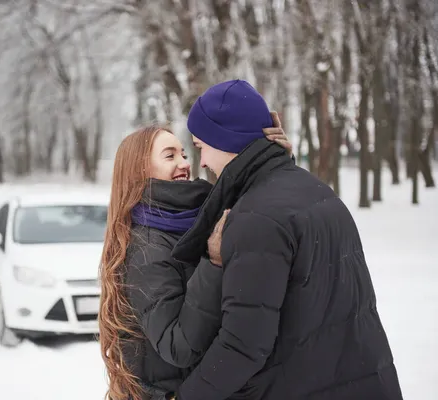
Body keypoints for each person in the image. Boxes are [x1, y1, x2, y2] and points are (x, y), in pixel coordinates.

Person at [167, 80, 403, 400]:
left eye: (200, 147)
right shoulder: (313, 190)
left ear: (225, 139)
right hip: (362, 380)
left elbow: (243, 346)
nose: (203, 162)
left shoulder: (255, 218)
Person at [98, 121, 292, 400]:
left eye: (184, 154)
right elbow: (177, 345)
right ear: (140, 169)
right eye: (170, 156)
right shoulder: (146, 249)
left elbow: (253, 204)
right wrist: (212, 263)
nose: (184, 163)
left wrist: (275, 161)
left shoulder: (196, 217)